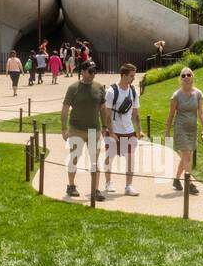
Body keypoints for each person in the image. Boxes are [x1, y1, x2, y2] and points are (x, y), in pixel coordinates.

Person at [60, 59, 108, 201]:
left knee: (95, 161)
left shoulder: (99, 87)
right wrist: (64, 128)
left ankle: (95, 189)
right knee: (74, 158)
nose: (93, 73)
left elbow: (103, 109)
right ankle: (71, 185)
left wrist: (104, 126)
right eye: (90, 71)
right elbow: (65, 109)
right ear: (82, 71)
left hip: (94, 130)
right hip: (76, 129)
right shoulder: (73, 88)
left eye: (95, 71)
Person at [165, 67, 203, 194]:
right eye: (183, 75)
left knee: (186, 158)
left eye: (189, 74)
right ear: (181, 79)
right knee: (187, 156)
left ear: (192, 76)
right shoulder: (176, 96)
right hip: (180, 129)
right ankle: (190, 184)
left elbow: (201, 112)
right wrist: (167, 131)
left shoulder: (198, 94)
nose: (186, 77)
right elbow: (171, 114)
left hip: (192, 129)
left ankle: (176, 179)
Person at [104, 63, 142, 196]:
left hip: (129, 131)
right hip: (114, 130)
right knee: (110, 157)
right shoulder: (111, 91)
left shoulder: (133, 91)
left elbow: (136, 114)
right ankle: (108, 183)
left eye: (134, 76)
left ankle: (128, 186)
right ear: (123, 75)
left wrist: (139, 130)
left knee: (130, 158)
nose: (133, 78)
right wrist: (111, 132)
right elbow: (107, 115)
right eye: (131, 76)